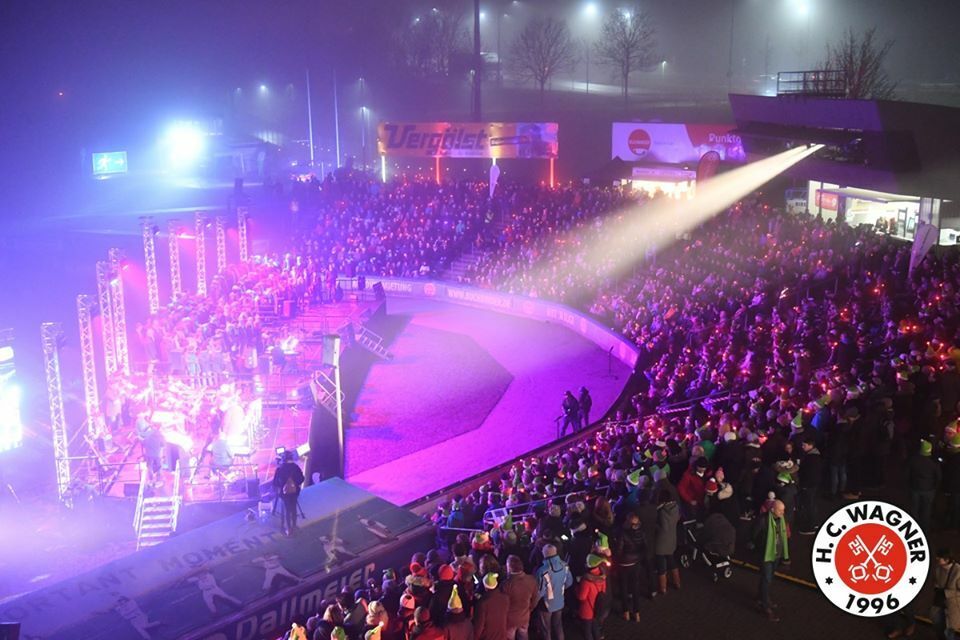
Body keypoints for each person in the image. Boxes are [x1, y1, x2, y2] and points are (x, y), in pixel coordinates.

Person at [613, 512, 650, 622]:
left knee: (623, 587)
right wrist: (638, 557)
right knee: (635, 587)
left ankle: (626, 612)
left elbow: (618, 551)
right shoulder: (642, 532)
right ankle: (637, 613)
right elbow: (645, 547)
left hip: (624, 564)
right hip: (635, 563)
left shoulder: (622, 533)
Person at [757, 499, 789, 622]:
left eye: (783, 510)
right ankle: (765, 606)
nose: (783, 513)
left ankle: (761, 598)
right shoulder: (763, 520)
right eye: (780, 510)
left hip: (776, 554)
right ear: (772, 510)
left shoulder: (781, 519)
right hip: (766, 555)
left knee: (767, 578)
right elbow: (754, 535)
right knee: (767, 578)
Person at [534, 544, 572, 640]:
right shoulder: (565, 565)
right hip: (560, 601)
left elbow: (540, 592)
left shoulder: (542, 571)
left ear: (544, 554)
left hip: (546, 605)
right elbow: (569, 582)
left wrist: (533, 603)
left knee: (546, 629)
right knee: (558, 626)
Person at [501, 555, 539, 640]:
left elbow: (503, 604)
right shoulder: (531, 579)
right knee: (523, 635)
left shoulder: (506, 584)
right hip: (525, 616)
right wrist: (529, 609)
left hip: (510, 619)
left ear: (510, 567)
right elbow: (535, 599)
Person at [906, 439, 940, 534]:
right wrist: (934, 487)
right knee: (926, 510)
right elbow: (938, 477)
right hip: (929, 489)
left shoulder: (913, 460)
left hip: (915, 488)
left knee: (914, 509)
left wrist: (909, 484)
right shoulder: (933, 463)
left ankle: (913, 529)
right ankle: (925, 530)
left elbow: (907, 474)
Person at [654, 487, 680, 594]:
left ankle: (663, 587)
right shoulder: (676, 508)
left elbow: (662, 527)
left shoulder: (661, 512)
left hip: (661, 542)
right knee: (672, 560)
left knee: (661, 566)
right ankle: (677, 582)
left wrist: (654, 525)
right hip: (672, 539)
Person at [273, 450, 305, 536]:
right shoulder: (296, 467)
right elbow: (302, 478)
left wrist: (282, 486)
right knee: (293, 508)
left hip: (284, 493)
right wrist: (295, 484)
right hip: (295, 492)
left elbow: (275, 482)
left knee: (286, 510)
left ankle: (288, 528)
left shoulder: (280, 469)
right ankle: (294, 525)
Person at [576, 554, 608, 640]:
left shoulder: (586, 581)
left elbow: (581, 597)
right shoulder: (602, 577)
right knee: (595, 627)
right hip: (598, 608)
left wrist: (577, 588)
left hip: (587, 610)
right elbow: (603, 591)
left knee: (587, 631)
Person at [931, 548, 960, 640]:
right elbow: (937, 582)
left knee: (949, 629)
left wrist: (946, 593)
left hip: (953, 604)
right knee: (937, 622)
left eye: (939, 558)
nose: (937, 559)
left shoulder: (958, 571)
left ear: (947, 560)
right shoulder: (938, 568)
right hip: (940, 600)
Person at [797, 436, 823, 535]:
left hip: (809, 485)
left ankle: (811, 526)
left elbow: (809, 473)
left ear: (810, 445)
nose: (802, 447)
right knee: (812, 504)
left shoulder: (811, 458)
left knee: (809, 505)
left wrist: (805, 485)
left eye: (804, 445)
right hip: (814, 484)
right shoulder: (815, 456)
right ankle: (814, 524)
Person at [473, 573, 509, 640]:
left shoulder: (483, 603)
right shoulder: (505, 598)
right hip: (501, 635)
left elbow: (479, 626)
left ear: (485, 586)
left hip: (488, 637)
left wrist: (475, 637)